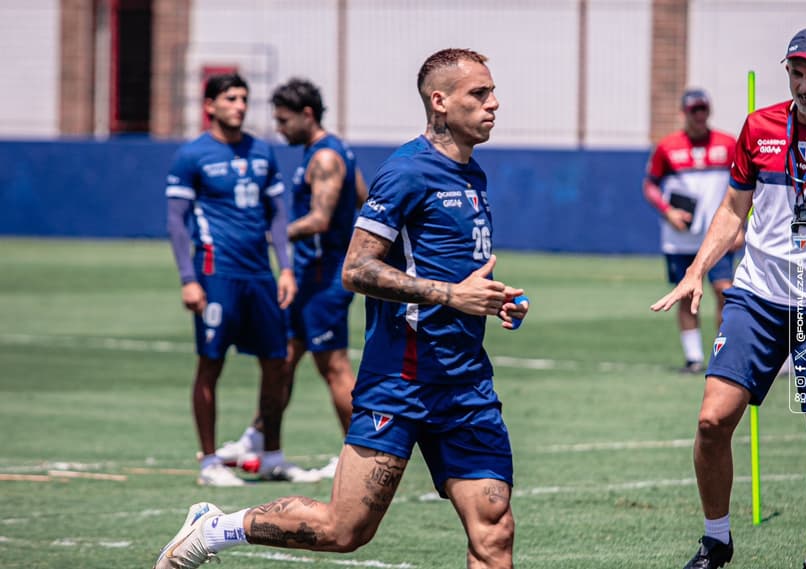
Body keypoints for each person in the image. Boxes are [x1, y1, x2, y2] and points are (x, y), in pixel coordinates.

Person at [153, 48, 529, 569]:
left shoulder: (474, 176)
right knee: (343, 530)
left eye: (492, 93)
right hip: (401, 381)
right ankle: (213, 528)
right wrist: (450, 296)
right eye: (480, 94)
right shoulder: (406, 172)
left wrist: (493, 300)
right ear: (440, 102)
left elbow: (456, 275)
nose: (495, 104)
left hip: (466, 384)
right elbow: (356, 270)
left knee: (494, 529)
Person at [651, 27, 806, 569]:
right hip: (758, 295)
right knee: (713, 421)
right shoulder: (760, 128)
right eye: (797, 73)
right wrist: (697, 269)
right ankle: (716, 540)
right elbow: (734, 210)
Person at [214, 78, 368, 482]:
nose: (279, 129)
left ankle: (362, 457)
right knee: (280, 362)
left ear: (307, 115)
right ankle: (257, 437)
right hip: (307, 278)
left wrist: (268, 234)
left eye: (284, 120)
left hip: (322, 280)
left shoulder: (325, 159)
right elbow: (363, 200)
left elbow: (320, 219)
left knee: (333, 367)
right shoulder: (330, 152)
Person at [165, 72, 297, 487]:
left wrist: (286, 267)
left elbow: (277, 215)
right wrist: (189, 278)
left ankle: (272, 454)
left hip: (260, 274)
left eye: (243, 98)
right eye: (230, 99)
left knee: (277, 363)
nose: (239, 105)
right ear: (210, 106)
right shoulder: (192, 156)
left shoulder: (262, 152)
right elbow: (176, 221)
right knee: (211, 364)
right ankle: (209, 463)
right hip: (216, 274)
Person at [643, 89, 739, 374]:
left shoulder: (728, 144)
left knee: (725, 292)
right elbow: (649, 185)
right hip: (680, 239)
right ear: (684, 113)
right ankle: (694, 358)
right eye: (693, 110)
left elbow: (746, 188)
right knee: (686, 296)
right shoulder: (668, 147)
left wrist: (741, 226)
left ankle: (724, 354)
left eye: (703, 109)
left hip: (716, 238)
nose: (699, 115)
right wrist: (667, 211)